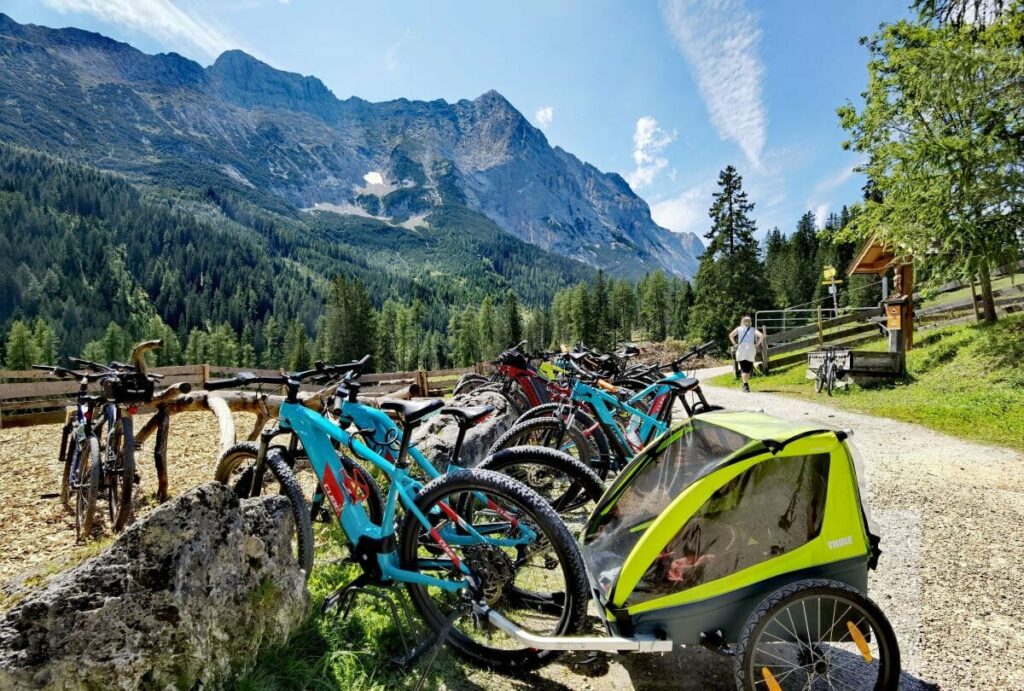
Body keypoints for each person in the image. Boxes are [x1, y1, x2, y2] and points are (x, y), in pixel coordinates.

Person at [729, 315, 764, 393]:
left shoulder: (739, 329)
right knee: (748, 367)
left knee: (743, 367)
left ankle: (745, 385)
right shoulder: (753, 329)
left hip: (741, 348)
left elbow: (730, 335)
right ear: (750, 322)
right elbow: (761, 335)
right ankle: (746, 385)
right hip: (750, 349)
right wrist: (757, 344)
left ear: (743, 322)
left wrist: (735, 344)